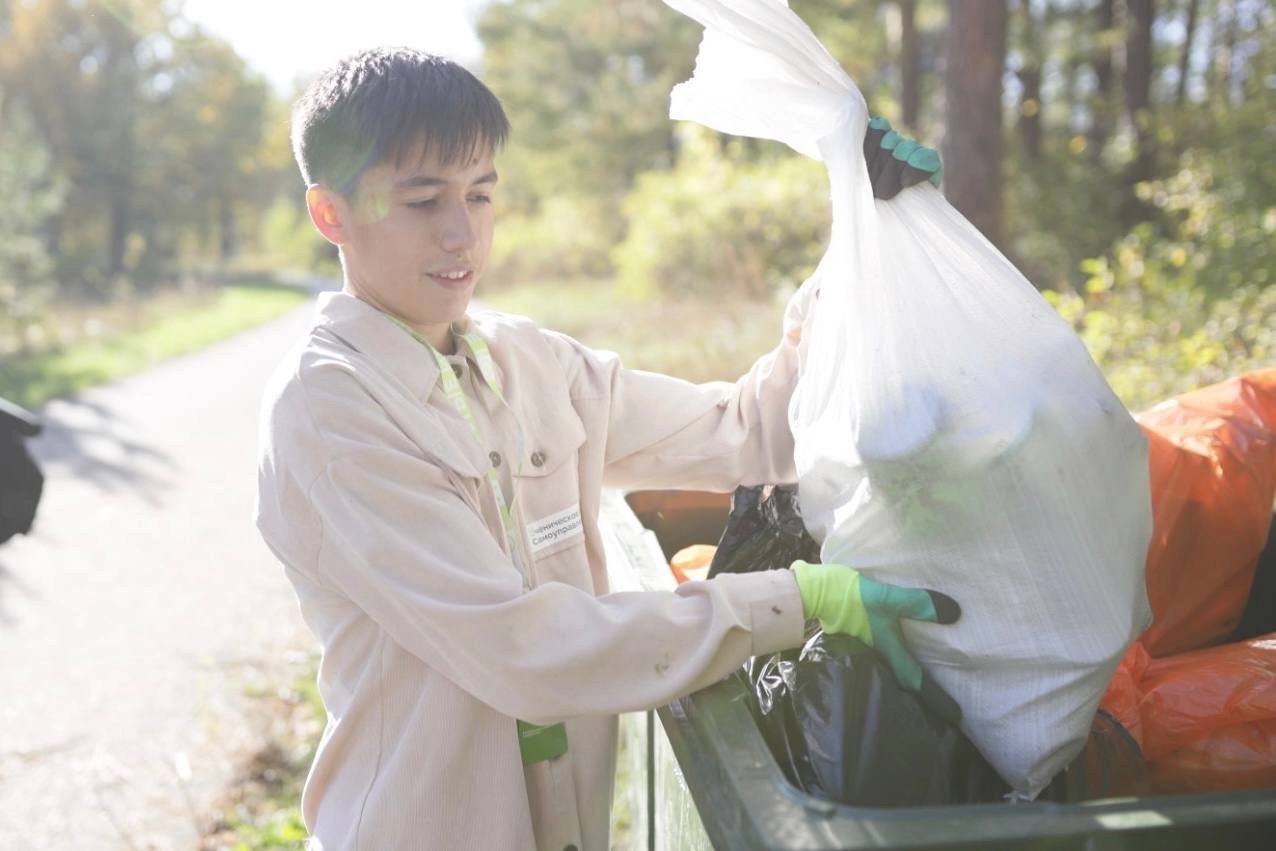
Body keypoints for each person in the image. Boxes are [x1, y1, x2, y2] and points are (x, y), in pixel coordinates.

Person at [255, 47, 955, 851]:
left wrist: (867, 240)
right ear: (331, 214)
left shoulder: (528, 364)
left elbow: (746, 428)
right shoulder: (329, 407)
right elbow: (525, 650)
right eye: (421, 201)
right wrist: (794, 601)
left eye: (480, 195)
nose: (461, 234)